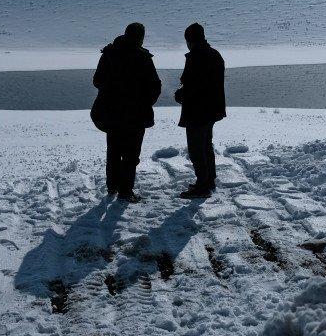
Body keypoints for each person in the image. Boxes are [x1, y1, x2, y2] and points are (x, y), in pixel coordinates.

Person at [91, 22, 162, 203]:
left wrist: (110, 93)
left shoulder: (109, 53)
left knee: (114, 151)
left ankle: (113, 186)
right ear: (140, 37)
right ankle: (125, 191)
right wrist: (145, 103)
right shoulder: (142, 57)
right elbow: (155, 85)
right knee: (131, 154)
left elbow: (97, 80)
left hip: (113, 113)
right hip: (135, 115)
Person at [174, 22, 226, 199]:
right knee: (206, 146)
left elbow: (194, 84)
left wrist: (181, 94)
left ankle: (202, 186)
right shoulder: (214, 54)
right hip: (212, 109)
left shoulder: (196, 56)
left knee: (196, 149)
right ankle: (208, 180)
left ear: (190, 40)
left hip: (198, 110)